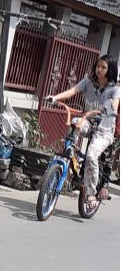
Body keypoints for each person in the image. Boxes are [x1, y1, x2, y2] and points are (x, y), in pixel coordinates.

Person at [46, 55, 120, 209]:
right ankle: (69, 153)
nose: (99, 69)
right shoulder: (88, 81)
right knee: (75, 122)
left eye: (103, 67)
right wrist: (55, 98)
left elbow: (115, 104)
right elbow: (72, 90)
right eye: (98, 66)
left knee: (92, 155)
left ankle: (91, 193)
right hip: (88, 121)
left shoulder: (115, 89)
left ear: (110, 70)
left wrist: (111, 109)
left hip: (105, 129)